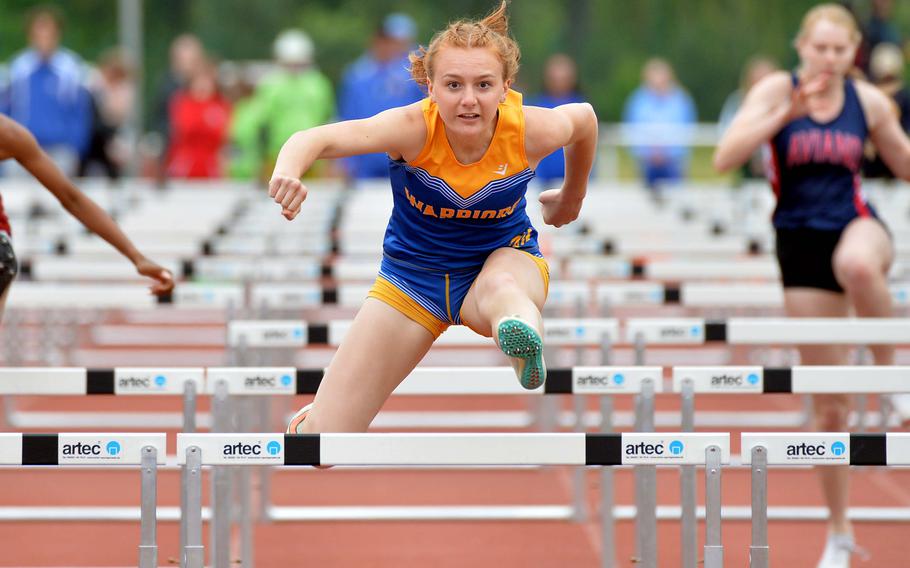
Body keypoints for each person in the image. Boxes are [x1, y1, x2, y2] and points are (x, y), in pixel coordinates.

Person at [268, 0, 597, 434]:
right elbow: (315, 138)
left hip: (500, 260)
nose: (468, 101)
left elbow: (585, 119)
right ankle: (319, 420)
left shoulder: (530, 129)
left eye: (483, 85)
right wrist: (287, 172)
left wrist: (573, 196)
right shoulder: (410, 128)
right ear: (430, 87)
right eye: (453, 85)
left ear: (506, 88)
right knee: (321, 444)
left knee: (503, 287)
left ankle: (518, 335)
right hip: (411, 281)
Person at [713, 5, 910, 567]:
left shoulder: (867, 101)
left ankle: (893, 377)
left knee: (859, 266)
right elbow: (726, 156)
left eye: (839, 50)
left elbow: (903, 161)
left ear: (854, 54)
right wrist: (784, 114)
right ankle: (841, 531)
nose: (828, 59)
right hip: (798, 247)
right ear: (801, 47)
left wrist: (895, 120)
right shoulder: (778, 90)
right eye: (819, 49)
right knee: (830, 409)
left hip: (857, 227)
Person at [0, 114, 174, 315]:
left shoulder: (8, 134)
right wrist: (136, 257)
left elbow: (72, 199)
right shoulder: (8, 132)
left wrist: (137, 257)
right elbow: (72, 199)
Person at [1, 6, 93, 177]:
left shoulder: (71, 70)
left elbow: (80, 113)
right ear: (30, 35)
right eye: (39, 33)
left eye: (48, 33)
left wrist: (76, 148)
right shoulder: (18, 70)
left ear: (57, 34)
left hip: (60, 153)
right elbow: (5, 111)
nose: (44, 39)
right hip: (22, 152)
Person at [337, 13, 425, 180]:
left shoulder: (413, 70)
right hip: (366, 155)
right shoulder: (357, 74)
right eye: (394, 40)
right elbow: (347, 114)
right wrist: (346, 161)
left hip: (406, 153)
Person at [245, 29, 335, 178]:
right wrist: (258, 160)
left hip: (314, 157)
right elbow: (259, 125)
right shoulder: (271, 85)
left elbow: (328, 120)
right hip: (278, 156)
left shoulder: (318, 84)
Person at [622, 57, 696, 190]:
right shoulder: (637, 101)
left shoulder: (681, 101)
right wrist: (649, 151)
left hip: (674, 161)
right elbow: (631, 130)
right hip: (646, 162)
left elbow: (687, 130)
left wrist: (666, 151)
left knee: (675, 195)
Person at [527, 53, 586, 186]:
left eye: (563, 77)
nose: (559, 81)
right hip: (540, 182)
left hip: (572, 182)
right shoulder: (535, 105)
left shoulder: (581, 107)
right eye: (555, 78)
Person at [166, 60, 231, 179]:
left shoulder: (221, 105)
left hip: (212, 167)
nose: (203, 85)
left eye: (207, 80)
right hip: (186, 166)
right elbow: (186, 129)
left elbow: (224, 133)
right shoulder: (182, 102)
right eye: (199, 80)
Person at [718, 56, 779, 180]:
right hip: (746, 170)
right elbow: (725, 140)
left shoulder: (787, 105)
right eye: (758, 81)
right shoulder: (736, 103)